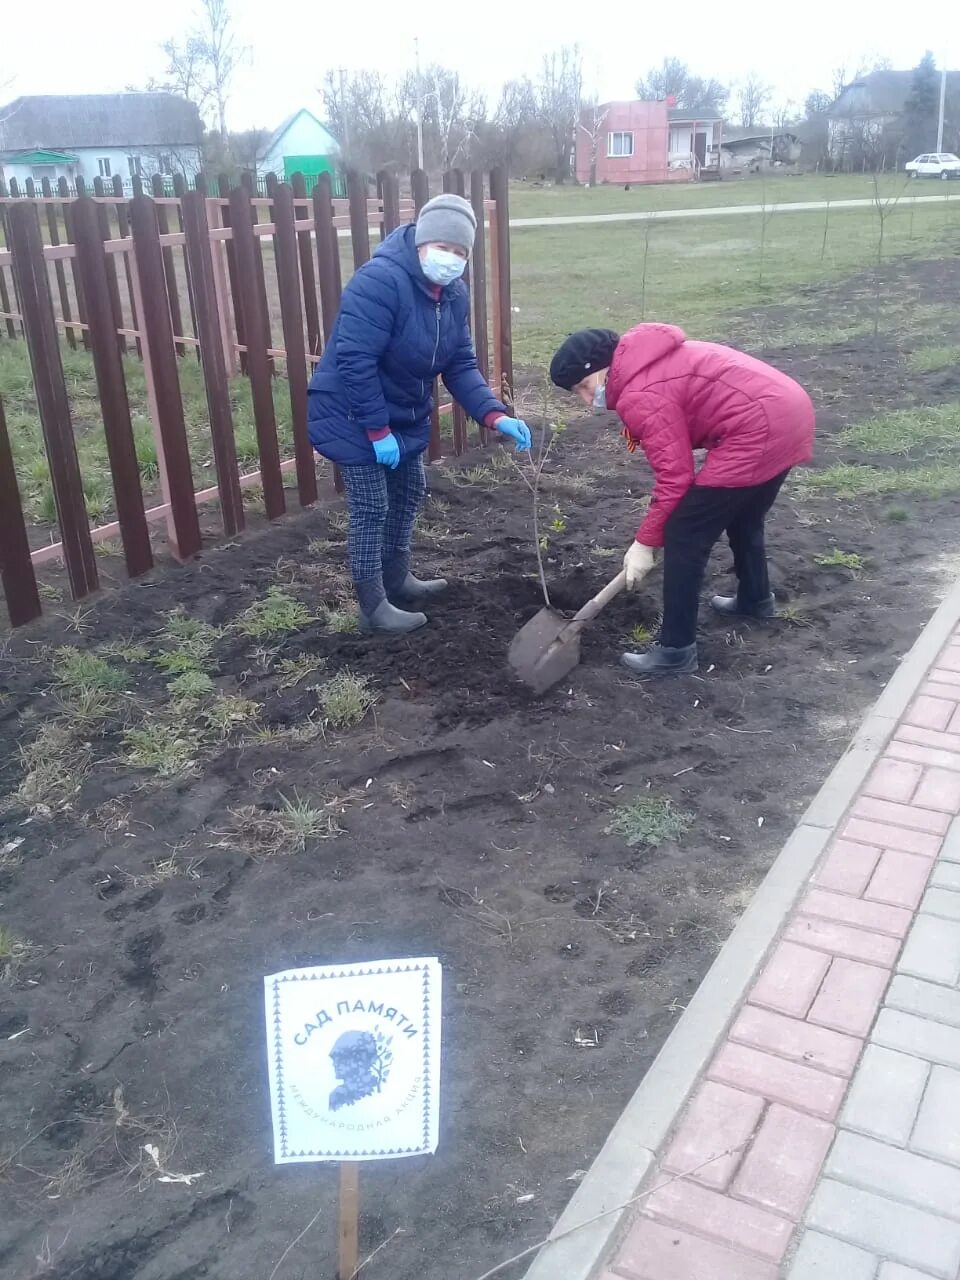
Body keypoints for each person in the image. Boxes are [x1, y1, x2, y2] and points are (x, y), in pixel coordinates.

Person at [308, 193, 532, 634]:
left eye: (460, 252)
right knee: (372, 506)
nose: (450, 259)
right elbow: (354, 359)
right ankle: (372, 606)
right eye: (443, 247)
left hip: (401, 413)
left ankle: (398, 580)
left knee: (408, 493)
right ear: (421, 242)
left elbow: (460, 363)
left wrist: (494, 415)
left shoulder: (452, 295)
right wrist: (375, 429)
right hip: (354, 412)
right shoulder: (380, 282)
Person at [549, 324, 815, 678]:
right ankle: (755, 600)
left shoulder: (640, 392)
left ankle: (674, 651)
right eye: (576, 393)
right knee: (744, 515)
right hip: (788, 413)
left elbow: (676, 479)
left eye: (584, 386)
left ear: (604, 366)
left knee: (684, 533)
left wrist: (645, 543)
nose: (586, 400)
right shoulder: (646, 361)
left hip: (757, 429)